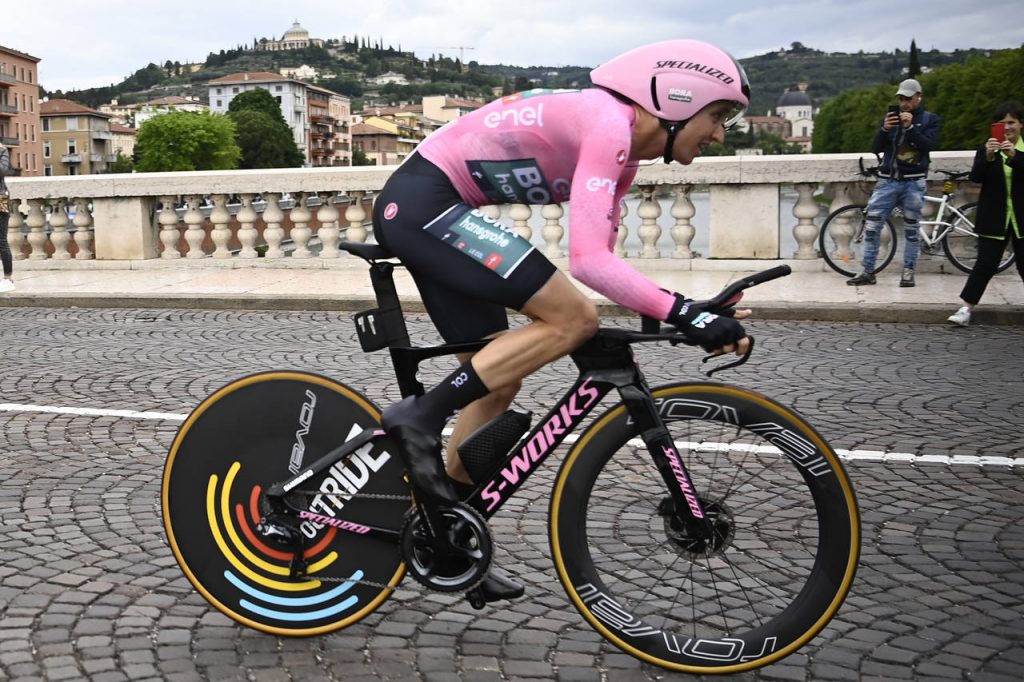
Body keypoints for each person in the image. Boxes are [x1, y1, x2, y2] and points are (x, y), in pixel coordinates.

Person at [372, 40, 752, 602]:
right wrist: (683, 312)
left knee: (495, 382)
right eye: (717, 116)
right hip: (423, 205)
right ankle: (418, 417)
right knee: (574, 317)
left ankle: (444, 536)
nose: (719, 133)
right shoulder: (610, 125)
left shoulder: (627, 154)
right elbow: (587, 265)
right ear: (678, 100)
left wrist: (685, 309)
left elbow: (609, 263)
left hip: (434, 207)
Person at [847, 78, 941, 287]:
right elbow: (876, 148)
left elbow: (927, 146)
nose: (904, 103)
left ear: (919, 97)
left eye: (908, 98)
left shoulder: (930, 119)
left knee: (911, 230)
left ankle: (908, 273)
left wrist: (910, 128)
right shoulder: (891, 119)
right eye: (901, 99)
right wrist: (884, 129)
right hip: (887, 180)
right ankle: (868, 272)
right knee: (872, 227)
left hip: (913, 182)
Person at [947, 101, 1024, 326]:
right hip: (994, 216)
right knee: (985, 264)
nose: (1007, 127)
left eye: (1011, 122)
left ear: (1021, 124)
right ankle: (965, 309)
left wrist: (1014, 157)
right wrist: (988, 157)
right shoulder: (987, 149)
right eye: (1001, 123)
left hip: (1021, 217)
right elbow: (976, 177)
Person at [0, 142, 14, 293]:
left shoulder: (2, 151)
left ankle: (8, 278)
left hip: (0, 199)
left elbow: (2, 170)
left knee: (1, 240)